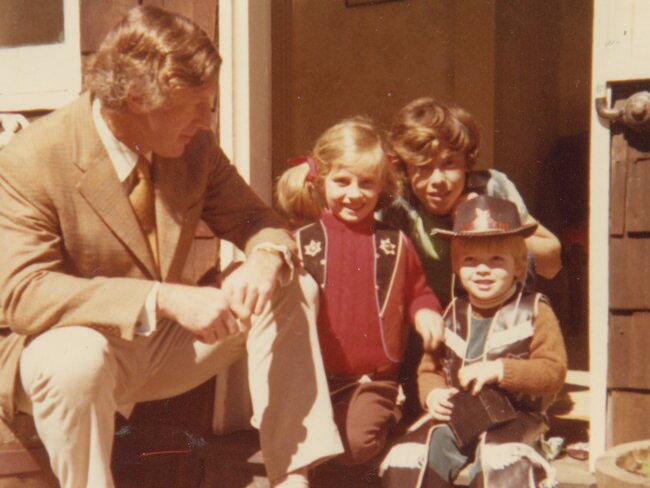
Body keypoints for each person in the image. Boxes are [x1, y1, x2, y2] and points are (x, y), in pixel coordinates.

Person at [0, 6, 342, 488]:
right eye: (198, 104)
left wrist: (263, 259)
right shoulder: (30, 161)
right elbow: (22, 293)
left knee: (290, 286)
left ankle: (292, 478)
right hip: (67, 353)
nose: (208, 120)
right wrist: (164, 297)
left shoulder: (194, 148)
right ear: (138, 97)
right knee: (74, 357)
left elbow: (257, 221)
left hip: (158, 348)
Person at [276, 117, 444, 467]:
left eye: (366, 183)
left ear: (381, 185)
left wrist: (426, 311)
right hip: (314, 379)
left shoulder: (394, 243)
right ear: (321, 181)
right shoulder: (303, 241)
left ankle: (388, 421)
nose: (354, 194)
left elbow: (418, 291)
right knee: (306, 448)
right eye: (342, 181)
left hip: (372, 380)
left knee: (355, 447)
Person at [414, 195, 567, 487]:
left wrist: (500, 370)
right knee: (413, 455)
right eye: (470, 261)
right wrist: (432, 394)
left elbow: (553, 372)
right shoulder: (452, 312)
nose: (482, 269)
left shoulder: (534, 310)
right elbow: (429, 367)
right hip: (461, 413)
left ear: (519, 266)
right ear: (457, 267)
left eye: (496, 260)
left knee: (499, 459)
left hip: (518, 416)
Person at [380, 97, 562, 306]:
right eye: (423, 167)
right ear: (406, 169)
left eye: (449, 164)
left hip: (493, 321)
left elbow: (552, 264)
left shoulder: (491, 187)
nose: (438, 180)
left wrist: (488, 224)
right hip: (427, 324)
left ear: (467, 162)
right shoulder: (398, 204)